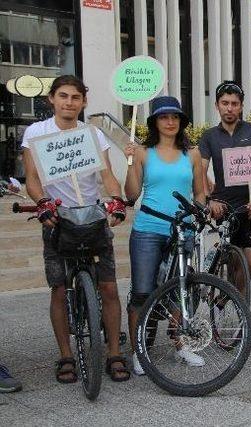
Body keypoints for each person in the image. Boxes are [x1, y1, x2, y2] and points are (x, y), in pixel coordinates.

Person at [21, 75, 130, 383]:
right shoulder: (36, 132)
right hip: (57, 217)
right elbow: (31, 177)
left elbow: (107, 175)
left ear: (83, 102)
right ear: (52, 99)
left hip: (91, 216)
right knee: (58, 288)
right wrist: (42, 202)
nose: (69, 102)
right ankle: (65, 355)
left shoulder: (92, 134)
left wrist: (117, 200)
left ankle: (113, 353)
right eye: (63, 96)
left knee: (108, 286)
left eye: (76, 98)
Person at [124, 96, 206, 376]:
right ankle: (138, 350)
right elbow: (131, 194)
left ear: (181, 122)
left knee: (180, 291)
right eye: (163, 117)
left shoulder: (192, 154)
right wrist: (130, 162)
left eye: (175, 117)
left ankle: (180, 344)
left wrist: (201, 211)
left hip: (183, 229)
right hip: (148, 228)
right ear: (155, 121)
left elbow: (200, 192)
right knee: (142, 292)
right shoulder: (144, 152)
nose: (170, 121)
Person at [199, 81, 251, 292]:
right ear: (217, 105)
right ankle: (234, 302)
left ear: (241, 106)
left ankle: (233, 295)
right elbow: (200, 171)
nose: (229, 108)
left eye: (234, 103)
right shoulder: (209, 135)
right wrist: (209, 199)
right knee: (231, 260)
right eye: (225, 103)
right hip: (225, 208)